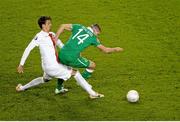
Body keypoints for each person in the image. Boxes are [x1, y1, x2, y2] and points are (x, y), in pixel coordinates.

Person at [16, 16, 104, 99]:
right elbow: (28, 49)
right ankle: (93, 93)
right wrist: (21, 64)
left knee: (45, 79)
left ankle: (22, 88)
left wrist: (73, 52)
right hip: (52, 67)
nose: (51, 25)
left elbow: (61, 45)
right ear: (43, 25)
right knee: (75, 73)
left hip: (50, 66)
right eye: (49, 23)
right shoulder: (39, 37)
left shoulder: (52, 34)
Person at [55, 24, 123, 80]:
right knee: (92, 65)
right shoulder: (93, 38)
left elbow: (62, 26)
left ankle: (59, 88)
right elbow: (106, 50)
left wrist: (55, 39)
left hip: (61, 53)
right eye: (97, 34)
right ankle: (82, 81)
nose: (97, 36)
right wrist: (115, 49)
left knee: (65, 69)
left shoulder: (79, 26)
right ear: (95, 31)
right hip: (71, 57)